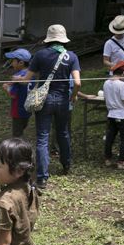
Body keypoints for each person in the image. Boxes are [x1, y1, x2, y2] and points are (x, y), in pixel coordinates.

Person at [14, 24, 81, 189]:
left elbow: (27, 78)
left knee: (43, 137)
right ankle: (66, 165)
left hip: (44, 101)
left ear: (49, 39)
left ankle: (42, 178)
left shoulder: (40, 55)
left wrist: (15, 79)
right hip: (63, 100)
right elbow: (78, 83)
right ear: (63, 39)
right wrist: (73, 96)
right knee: (63, 133)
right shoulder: (71, 56)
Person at [103, 61, 124, 170]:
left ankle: (107, 158)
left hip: (111, 113)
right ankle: (122, 161)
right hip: (122, 114)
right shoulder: (122, 84)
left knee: (110, 137)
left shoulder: (106, 82)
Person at [2, 49, 32, 137]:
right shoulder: (30, 74)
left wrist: (6, 88)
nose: (11, 63)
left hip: (18, 110)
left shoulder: (17, 77)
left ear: (21, 63)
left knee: (17, 135)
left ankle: (19, 150)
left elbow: (13, 95)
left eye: (13, 61)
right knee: (21, 129)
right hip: (28, 109)